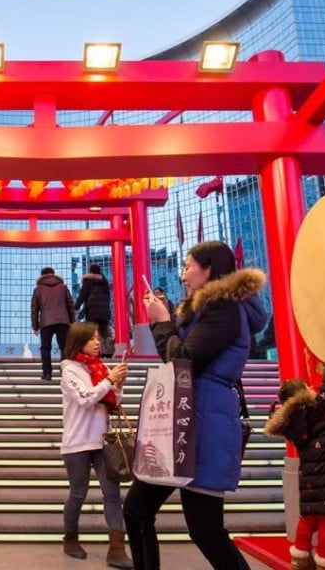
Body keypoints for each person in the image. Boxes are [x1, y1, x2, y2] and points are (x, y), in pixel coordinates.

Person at [123, 240, 267, 570]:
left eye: (188, 266)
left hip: (203, 424)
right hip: (183, 421)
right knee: (137, 511)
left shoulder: (225, 307)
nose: (183, 275)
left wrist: (160, 322)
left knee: (206, 530)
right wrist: (168, 316)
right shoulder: (208, 310)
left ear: (209, 269)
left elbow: (183, 360)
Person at [264, 345, 325, 570]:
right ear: (301, 394)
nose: (312, 388)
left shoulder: (292, 423)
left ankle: (300, 558)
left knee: (308, 518)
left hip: (309, 478)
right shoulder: (315, 409)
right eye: (307, 386)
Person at [59, 321, 133, 568]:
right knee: (78, 493)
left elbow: (110, 402)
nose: (97, 341)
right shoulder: (69, 369)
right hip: (77, 442)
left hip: (103, 440)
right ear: (78, 341)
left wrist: (117, 385)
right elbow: (85, 399)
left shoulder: (100, 367)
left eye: (98, 337)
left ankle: (117, 548)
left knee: (112, 493)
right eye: (92, 338)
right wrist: (109, 380)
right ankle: (70, 538)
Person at [31, 266, 76, 381]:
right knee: (64, 347)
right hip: (63, 321)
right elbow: (70, 305)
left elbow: (34, 309)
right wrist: (72, 321)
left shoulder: (38, 289)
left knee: (45, 348)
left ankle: (47, 374)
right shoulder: (63, 287)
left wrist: (35, 326)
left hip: (46, 322)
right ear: (53, 274)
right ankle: (66, 373)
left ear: (41, 276)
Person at [76, 263, 113, 357]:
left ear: (90, 271)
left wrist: (76, 308)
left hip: (92, 313)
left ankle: (96, 354)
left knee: (93, 333)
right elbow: (108, 298)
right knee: (104, 333)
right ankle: (107, 352)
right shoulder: (105, 282)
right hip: (104, 313)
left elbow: (82, 296)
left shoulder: (88, 281)